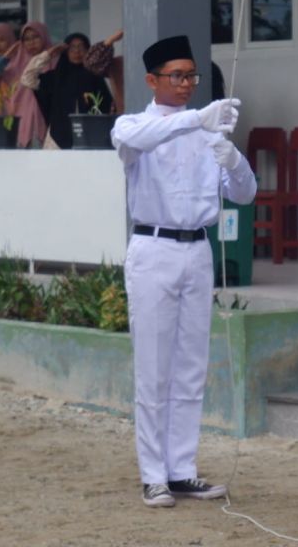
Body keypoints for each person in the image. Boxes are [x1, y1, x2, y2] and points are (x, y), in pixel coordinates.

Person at [111, 35, 255, 508]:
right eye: (177, 76)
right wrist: (198, 119)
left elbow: (245, 193)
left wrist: (231, 158)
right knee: (154, 368)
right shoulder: (133, 125)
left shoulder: (205, 131)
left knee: (191, 367)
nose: (186, 84)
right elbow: (139, 139)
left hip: (197, 250)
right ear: (152, 80)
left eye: (191, 76)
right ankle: (153, 474)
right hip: (153, 249)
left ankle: (181, 469)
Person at [20, 31, 112, 148]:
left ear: (88, 50)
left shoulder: (95, 77)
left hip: (91, 138)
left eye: (81, 47)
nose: (77, 51)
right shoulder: (55, 77)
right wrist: (49, 53)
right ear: (65, 52)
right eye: (72, 47)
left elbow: (107, 107)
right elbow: (27, 78)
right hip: (56, 140)